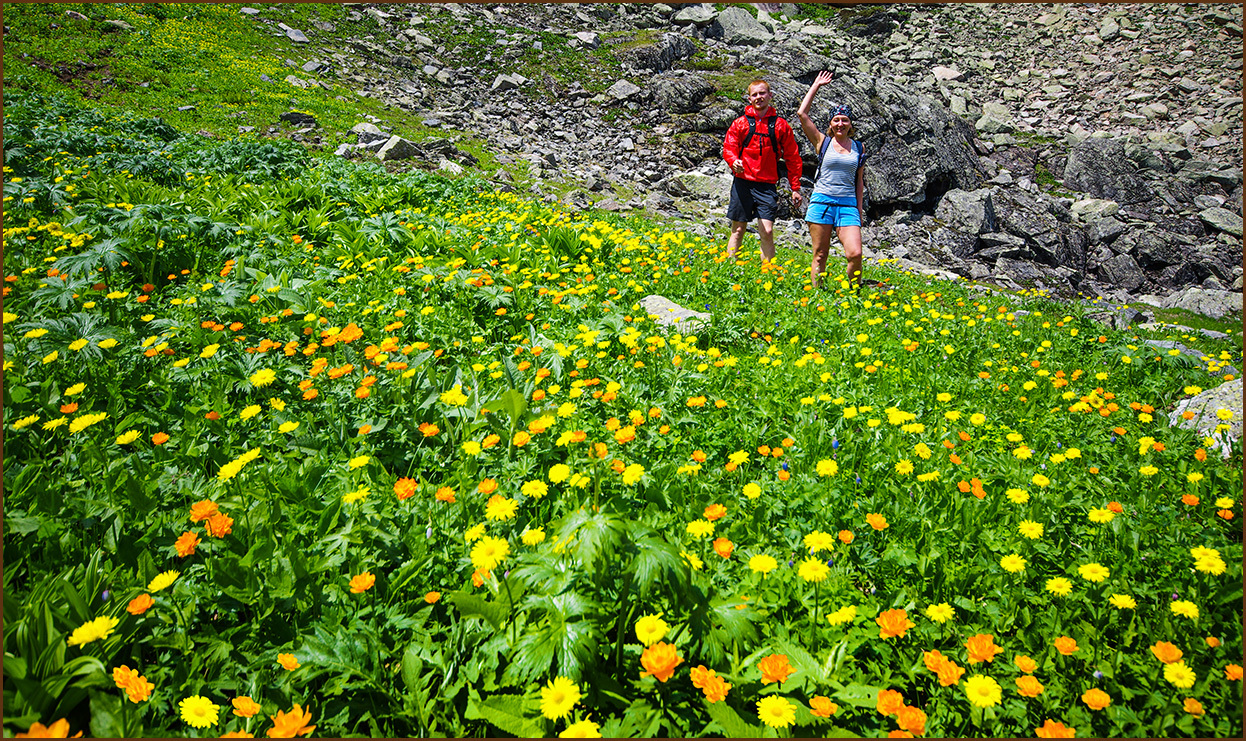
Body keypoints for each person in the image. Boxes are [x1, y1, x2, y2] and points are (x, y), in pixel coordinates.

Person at [796, 71, 868, 290]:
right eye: (836, 120)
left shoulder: (859, 147)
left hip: (847, 206)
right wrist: (816, 85)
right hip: (822, 203)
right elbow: (802, 114)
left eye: (844, 120)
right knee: (820, 254)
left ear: (850, 124)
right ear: (830, 123)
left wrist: (859, 210)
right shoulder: (822, 142)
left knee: (855, 253)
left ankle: (854, 292)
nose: (840, 124)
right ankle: (819, 295)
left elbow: (859, 181)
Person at [721, 79, 804, 262]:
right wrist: (733, 161)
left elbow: (792, 157)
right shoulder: (740, 123)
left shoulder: (781, 125)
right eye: (754, 94)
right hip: (743, 182)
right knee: (738, 229)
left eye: (762, 93)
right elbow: (729, 146)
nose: (759, 97)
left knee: (767, 230)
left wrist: (795, 188)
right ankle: (728, 268)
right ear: (749, 98)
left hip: (767, 185)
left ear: (770, 95)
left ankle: (768, 272)